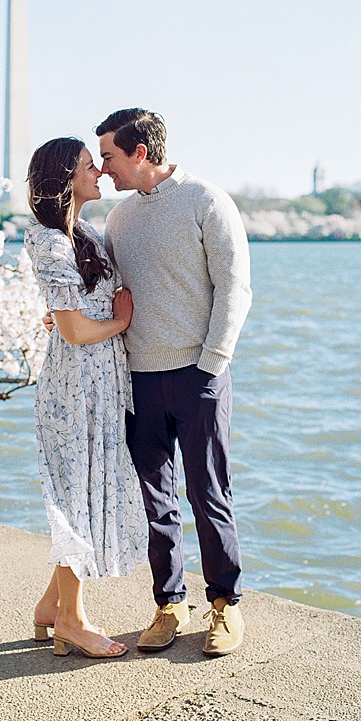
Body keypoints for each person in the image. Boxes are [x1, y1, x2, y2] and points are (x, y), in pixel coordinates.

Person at [94, 108, 252, 657]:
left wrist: (212, 363)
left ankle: (225, 606)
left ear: (140, 153)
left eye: (110, 156)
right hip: (138, 377)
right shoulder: (119, 220)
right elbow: (110, 295)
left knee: (208, 493)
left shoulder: (207, 201)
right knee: (155, 498)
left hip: (198, 374)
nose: (103, 167)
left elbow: (235, 289)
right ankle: (169, 603)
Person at [24, 136, 148, 659]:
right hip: (74, 387)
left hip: (101, 382)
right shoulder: (50, 243)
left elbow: (68, 315)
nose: (97, 169)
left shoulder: (87, 234)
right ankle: (71, 622)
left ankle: (50, 608)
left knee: (89, 487)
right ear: (63, 178)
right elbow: (74, 331)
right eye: (85, 164)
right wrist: (120, 321)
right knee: (76, 493)